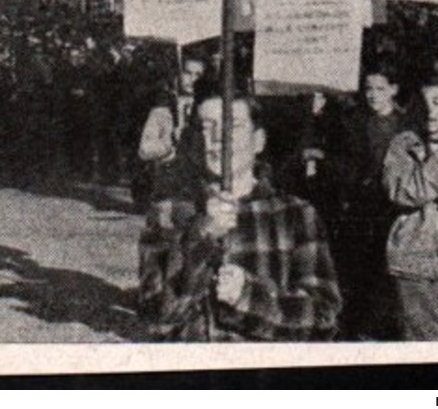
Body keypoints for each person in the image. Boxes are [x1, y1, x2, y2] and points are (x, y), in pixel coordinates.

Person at [144, 94, 342, 341]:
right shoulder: (169, 212)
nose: (217, 138)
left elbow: (324, 320)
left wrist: (248, 298)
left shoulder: (295, 214)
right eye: (206, 127)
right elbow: (156, 319)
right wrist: (201, 238)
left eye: (232, 126)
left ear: (258, 141)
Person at [330, 63, 407, 339]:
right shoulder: (356, 122)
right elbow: (345, 163)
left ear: (394, 90)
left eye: (380, 89)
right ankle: (354, 328)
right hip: (360, 208)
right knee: (356, 268)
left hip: (392, 209)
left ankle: (378, 329)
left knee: (385, 271)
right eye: (368, 89)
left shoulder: (405, 125)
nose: (373, 95)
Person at [383, 75, 438, 340]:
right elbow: (403, 192)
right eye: (424, 104)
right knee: (425, 341)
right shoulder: (403, 144)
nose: (431, 112)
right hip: (414, 262)